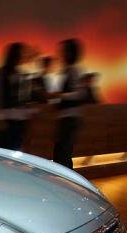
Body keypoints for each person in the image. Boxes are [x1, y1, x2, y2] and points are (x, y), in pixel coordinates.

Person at [0, 42, 32, 150]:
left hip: (19, 119)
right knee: (5, 150)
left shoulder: (20, 73)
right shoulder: (2, 72)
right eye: (22, 53)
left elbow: (24, 98)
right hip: (7, 118)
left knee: (15, 150)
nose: (24, 56)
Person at [52, 38, 86, 169]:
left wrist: (60, 95)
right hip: (67, 117)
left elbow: (80, 93)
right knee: (62, 153)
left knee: (63, 154)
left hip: (69, 118)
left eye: (63, 51)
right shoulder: (69, 70)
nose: (60, 54)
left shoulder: (74, 70)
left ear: (70, 53)